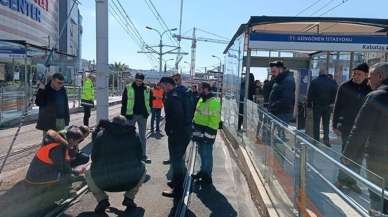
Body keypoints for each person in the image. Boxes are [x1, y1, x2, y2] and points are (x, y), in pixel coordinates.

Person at [342, 63, 388, 216]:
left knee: (377, 197)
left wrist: (347, 156)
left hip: (378, 159)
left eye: (370, 77)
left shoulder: (376, 97)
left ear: (380, 77)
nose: (368, 81)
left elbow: (360, 131)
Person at [86, 116, 146, 214]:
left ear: (112, 123)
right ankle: (129, 198)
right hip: (129, 180)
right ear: (125, 124)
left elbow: (94, 158)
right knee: (143, 166)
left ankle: (102, 199)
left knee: (88, 171)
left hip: (104, 181)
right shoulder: (134, 134)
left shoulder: (101, 135)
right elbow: (140, 157)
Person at [23, 127, 85, 216]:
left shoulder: (58, 143)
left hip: (38, 173)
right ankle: (50, 199)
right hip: (37, 177)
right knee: (66, 178)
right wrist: (76, 172)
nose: (77, 144)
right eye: (77, 141)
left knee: (67, 175)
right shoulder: (58, 148)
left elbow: (64, 164)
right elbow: (63, 168)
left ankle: (49, 194)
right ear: (71, 139)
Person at [333, 63, 371, 191]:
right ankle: (341, 179)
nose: (356, 76)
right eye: (354, 73)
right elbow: (337, 106)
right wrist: (334, 125)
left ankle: (352, 181)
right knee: (346, 152)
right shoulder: (344, 86)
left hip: (364, 128)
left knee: (359, 156)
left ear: (366, 75)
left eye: (359, 74)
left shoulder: (370, 88)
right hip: (347, 126)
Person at [159, 77, 192, 198]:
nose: (162, 89)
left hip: (178, 133)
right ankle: (176, 182)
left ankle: (178, 190)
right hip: (185, 131)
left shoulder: (173, 96)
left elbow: (177, 115)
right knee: (177, 159)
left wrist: (171, 130)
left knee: (177, 161)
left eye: (163, 86)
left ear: (168, 85)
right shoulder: (183, 92)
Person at [192, 82, 221, 185]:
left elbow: (214, 120)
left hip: (207, 133)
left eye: (200, 89)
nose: (198, 91)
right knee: (201, 154)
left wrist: (207, 135)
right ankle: (202, 172)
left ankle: (207, 177)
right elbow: (198, 114)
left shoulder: (214, 101)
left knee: (207, 155)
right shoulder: (201, 99)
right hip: (200, 132)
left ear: (206, 89)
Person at [121, 73, 151, 163]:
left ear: (143, 81)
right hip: (131, 115)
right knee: (129, 135)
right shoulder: (128, 87)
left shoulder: (147, 89)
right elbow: (124, 101)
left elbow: (150, 101)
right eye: (137, 80)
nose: (139, 82)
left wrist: (147, 113)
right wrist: (124, 115)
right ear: (135, 79)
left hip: (142, 116)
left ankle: (143, 155)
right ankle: (130, 154)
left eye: (140, 81)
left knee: (142, 136)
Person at [307, 68, 338, 146]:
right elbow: (336, 92)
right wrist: (332, 102)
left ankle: (316, 140)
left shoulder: (314, 82)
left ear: (319, 73)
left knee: (316, 123)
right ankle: (326, 140)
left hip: (317, 106)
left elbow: (310, 94)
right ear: (326, 73)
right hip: (328, 106)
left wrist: (309, 105)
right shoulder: (332, 81)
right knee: (326, 123)